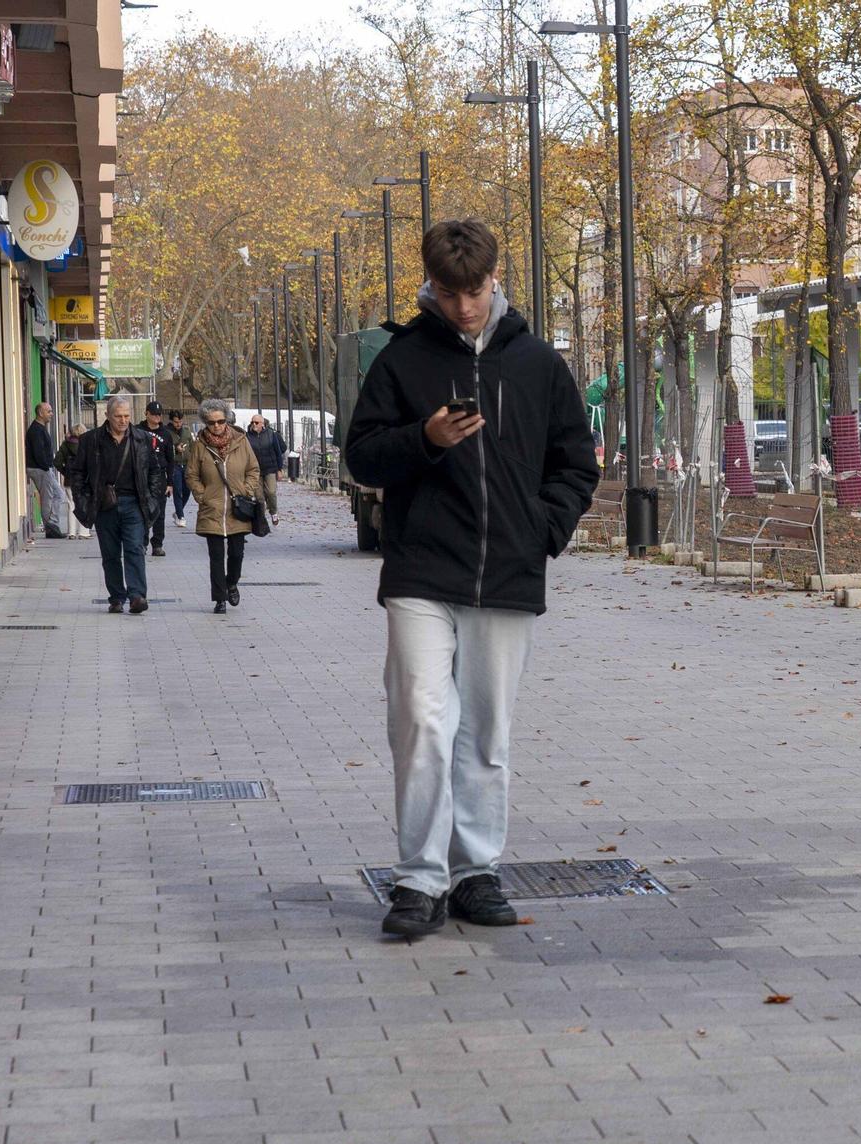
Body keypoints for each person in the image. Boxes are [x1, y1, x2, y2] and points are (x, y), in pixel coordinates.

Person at [345, 219, 598, 939]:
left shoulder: (538, 364)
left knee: (486, 733)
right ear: (431, 285)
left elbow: (576, 463)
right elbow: (362, 457)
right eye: (450, 293)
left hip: (509, 573)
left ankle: (476, 871)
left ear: (497, 280)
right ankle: (419, 880)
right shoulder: (402, 360)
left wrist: (542, 530)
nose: (463, 307)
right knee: (423, 719)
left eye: (475, 291)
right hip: (422, 571)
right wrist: (423, 439)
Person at [67, 395, 168, 614]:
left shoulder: (141, 438)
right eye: (118, 416)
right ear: (107, 416)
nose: (123, 420)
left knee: (134, 548)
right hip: (104, 505)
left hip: (134, 503)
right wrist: (83, 500)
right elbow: (77, 473)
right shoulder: (91, 440)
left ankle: (137, 596)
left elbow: (154, 471)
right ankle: (116, 597)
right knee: (111, 553)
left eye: (126, 416)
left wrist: (152, 497)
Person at [183, 399, 261, 615]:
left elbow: (253, 469)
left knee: (236, 553)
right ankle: (219, 599)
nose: (216, 426)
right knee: (216, 557)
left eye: (220, 421)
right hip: (212, 507)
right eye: (211, 422)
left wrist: (246, 489)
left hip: (238, 507)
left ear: (226, 420)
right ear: (205, 423)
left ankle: (232, 583)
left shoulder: (241, 441)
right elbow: (191, 474)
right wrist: (202, 495)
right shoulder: (200, 445)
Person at [25, 402, 67, 539]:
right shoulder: (36, 430)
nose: (51, 414)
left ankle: (52, 524)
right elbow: (38, 452)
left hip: (43, 468)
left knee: (58, 494)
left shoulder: (40, 428)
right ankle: (50, 527)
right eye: (49, 411)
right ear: (41, 413)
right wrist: (46, 466)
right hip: (40, 469)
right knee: (48, 498)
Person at [141, 401, 173, 556]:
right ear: (146, 413)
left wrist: (170, 483)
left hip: (160, 476)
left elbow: (171, 459)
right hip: (142, 475)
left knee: (159, 512)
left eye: (159, 414)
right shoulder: (137, 430)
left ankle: (158, 544)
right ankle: (142, 542)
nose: (157, 417)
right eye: (153, 414)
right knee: (142, 511)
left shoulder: (166, 433)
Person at [246, 413, 287, 522]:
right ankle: (261, 517)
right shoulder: (247, 436)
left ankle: (273, 512)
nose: (254, 424)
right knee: (259, 496)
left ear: (262, 424)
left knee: (271, 492)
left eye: (256, 422)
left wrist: (279, 469)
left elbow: (278, 452)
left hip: (270, 468)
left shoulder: (271, 434)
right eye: (252, 422)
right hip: (255, 470)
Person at [54, 423, 91, 539]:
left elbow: (57, 462)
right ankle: (84, 532)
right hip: (84, 479)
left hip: (70, 479)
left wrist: (65, 472)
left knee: (71, 504)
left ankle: (71, 532)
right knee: (85, 504)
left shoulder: (66, 445)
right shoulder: (87, 445)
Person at [166, 408, 193, 525]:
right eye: (176, 422)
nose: (178, 424)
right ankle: (181, 516)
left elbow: (192, 447)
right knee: (178, 490)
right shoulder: (167, 432)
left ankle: (178, 511)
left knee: (187, 490)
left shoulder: (186, 431)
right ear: (172, 421)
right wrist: (176, 449)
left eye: (180, 421)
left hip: (187, 464)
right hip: (174, 464)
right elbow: (165, 450)